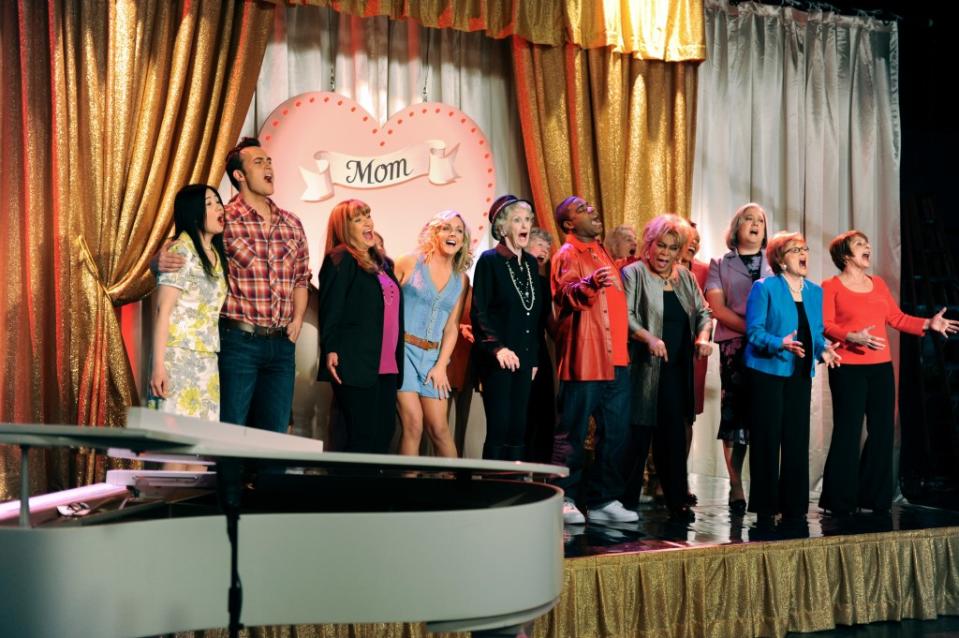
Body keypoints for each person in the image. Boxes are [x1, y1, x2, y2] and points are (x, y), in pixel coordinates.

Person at [159, 137, 311, 432]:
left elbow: (301, 278)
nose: (268, 166)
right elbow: (184, 243)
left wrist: (298, 318)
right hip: (239, 341)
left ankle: (270, 481)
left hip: (281, 346)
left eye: (269, 161)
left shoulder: (292, 223)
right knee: (229, 430)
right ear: (239, 175)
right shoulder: (223, 219)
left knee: (275, 434)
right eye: (258, 162)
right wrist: (157, 260)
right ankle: (229, 481)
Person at [819, 230, 959, 515]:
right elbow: (825, 324)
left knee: (882, 432)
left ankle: (874, 497)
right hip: (847, 368)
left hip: (881, 368)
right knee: (848, 431)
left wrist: (927, 324)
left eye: (867, 242)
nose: (867, 246)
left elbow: (896, 318)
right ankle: (839, 500)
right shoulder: (830, 286)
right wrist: (851, 337)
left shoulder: (878, 284)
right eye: (860, 244)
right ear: (845, 255)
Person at [551, 196, 637, 524]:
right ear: (569, 224)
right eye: (582, 209)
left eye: (591, 206)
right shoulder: (568, 253)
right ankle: (563, 496)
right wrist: (588, 284)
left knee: (616, 431)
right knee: (572, 429)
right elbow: (565, 292)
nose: (592, 210)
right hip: (586, 355)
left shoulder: (601, 250)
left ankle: (603, 500)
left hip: (616, 357)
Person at [745, 231, 841, 522]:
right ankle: (764, 507)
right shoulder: (765, 288)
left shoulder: (814, 291)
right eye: (795, 250)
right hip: (768, 372)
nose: (803, 254)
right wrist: (779, 343)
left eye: (805, 248)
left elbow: (817, 331)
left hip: (800, 373)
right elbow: (754, 332)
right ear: (780, 260)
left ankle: (794, 506)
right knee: (767, 439)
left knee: (796, 439)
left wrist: (824, 350)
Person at [622, 214, 712, 518]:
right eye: (661, 245)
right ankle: (625, 503)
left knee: (673, 437)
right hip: (644, 370)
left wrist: (702, 337)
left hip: (676, 371)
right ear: (649, 243)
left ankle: (676, 500)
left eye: (673, 248)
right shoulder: (633, 273)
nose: (665, 253)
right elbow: (626, 316)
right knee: (638, 435)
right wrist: (648, 338)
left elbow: (703, 312)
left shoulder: (684, 277)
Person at [318, 199, 404, 453]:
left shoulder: (382, 262)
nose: (368, 222)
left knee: (384, 434)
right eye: (358, 219)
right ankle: (354, 492)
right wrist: (330, 348)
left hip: (387, 364)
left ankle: (375, 492)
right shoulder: (341, 258)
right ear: (345, 228)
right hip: (356, 362)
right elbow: (330, 308)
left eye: (368, 215)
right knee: (360, 437)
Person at [704, 203, 772, 514]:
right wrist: (753, 330)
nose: (755, 223)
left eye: (760, 220)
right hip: (735, 344)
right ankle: (736, 483)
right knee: (735, 415)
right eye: (749, 218)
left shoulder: (774, 262)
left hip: (769, 348)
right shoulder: (720, 263)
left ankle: (764, 482)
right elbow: (717, 309)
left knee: (762, 414)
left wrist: (764, 337)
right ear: (736, 227)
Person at [471, 195, 548, 461]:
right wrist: (498, 348)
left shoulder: (529, 263)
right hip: (499, 360)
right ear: (502, 228)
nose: (525, 224)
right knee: (499, 428)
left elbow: (535, 316)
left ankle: (514, 489)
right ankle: (492, 493)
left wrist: (534, 357)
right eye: (517, 220)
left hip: (525, 359)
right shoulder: (489, 261)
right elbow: (480, 312)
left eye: (528, 219)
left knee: (519, 428)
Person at [393, 211, 471, 457]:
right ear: (434, 232)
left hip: (433, 359)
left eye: (459, 230)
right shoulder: (408, 262)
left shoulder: (461, 279)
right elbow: (385, 307)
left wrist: (440, 366)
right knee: (413, 425)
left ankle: (455, 493)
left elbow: (451, 329)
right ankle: (409, 492)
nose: (453, 234)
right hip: (403, 353)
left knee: (439, 430)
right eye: (447, 228)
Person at [150, 184, 228, 421]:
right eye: (209, 203)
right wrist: (158, 366)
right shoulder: (180, 250)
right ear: (193, 213)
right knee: (174, 446)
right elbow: (163, 311)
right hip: (178, 356)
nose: (218, 207)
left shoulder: (214, 252)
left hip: (207, 358)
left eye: (218, 201)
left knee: (199, 448)